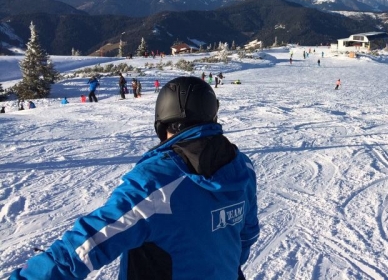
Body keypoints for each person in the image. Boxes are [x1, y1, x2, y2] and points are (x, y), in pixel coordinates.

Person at [9, 76, 260, 280]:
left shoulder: (158, 182)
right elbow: (246, 235)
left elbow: (88, 244)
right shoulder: (241, 167)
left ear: (162, 123)